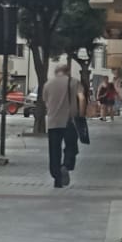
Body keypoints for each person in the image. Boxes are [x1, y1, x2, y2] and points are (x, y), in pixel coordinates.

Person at [43, 58, 79, 189]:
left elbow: (45, 101)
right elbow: (79, 101)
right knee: (71, 146)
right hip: (69, 121)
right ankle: (66, 165)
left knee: (54, 150)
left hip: (53, 121)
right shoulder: (74, 82)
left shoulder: (48, 84)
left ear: (56, 72)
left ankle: (56, 178)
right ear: (67, 72)